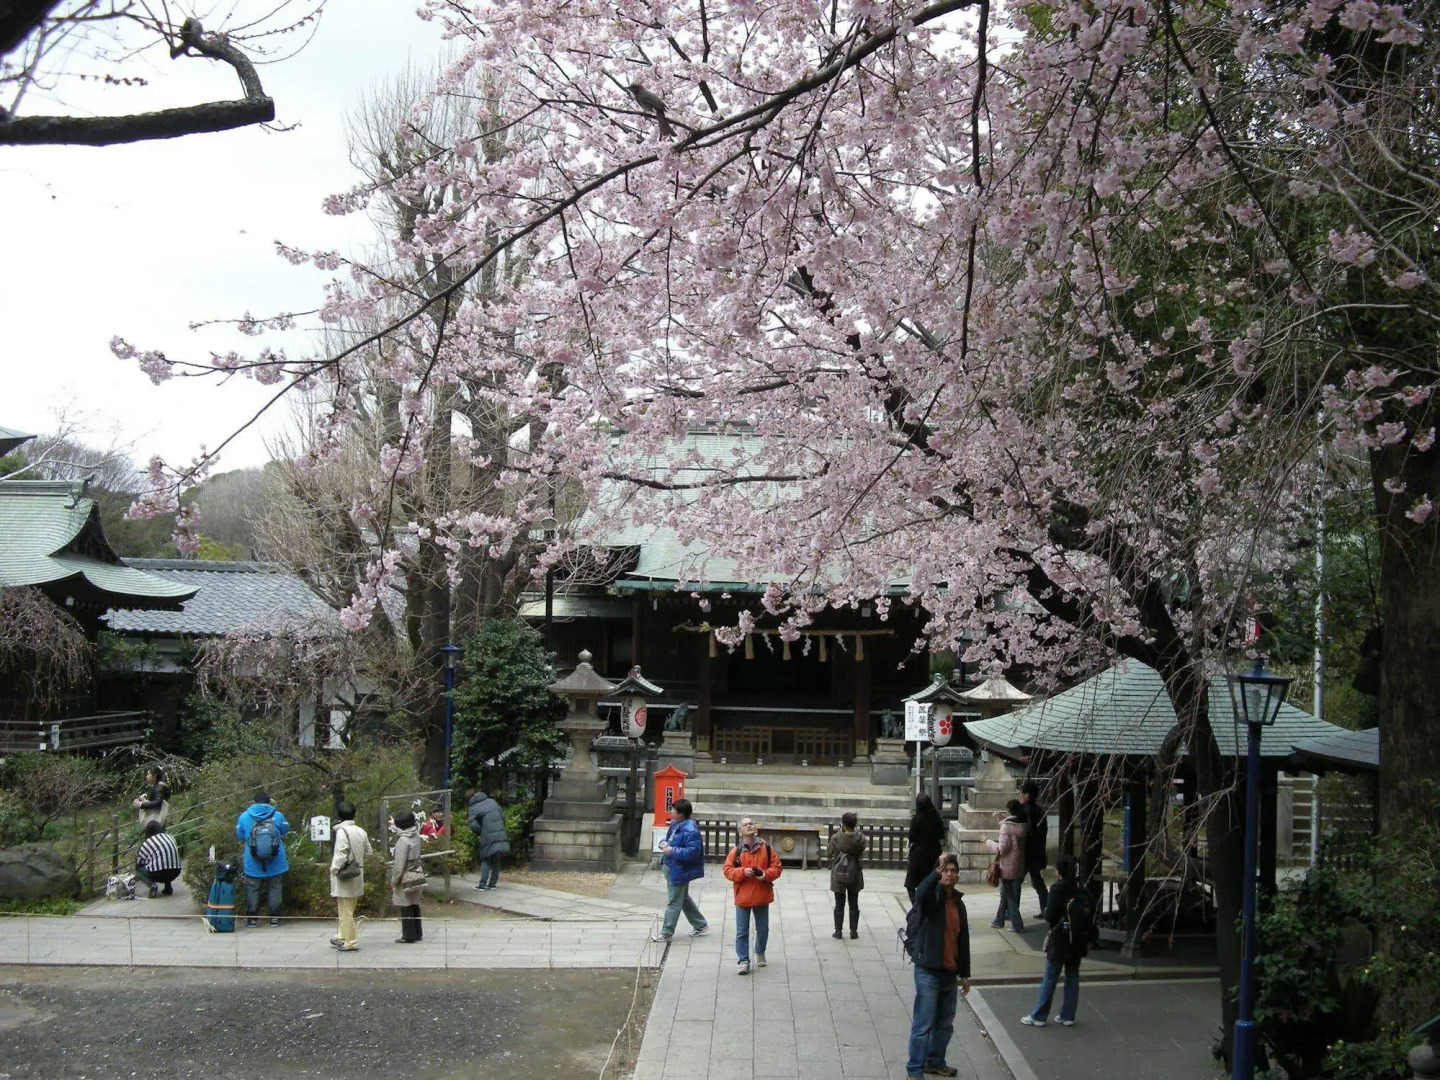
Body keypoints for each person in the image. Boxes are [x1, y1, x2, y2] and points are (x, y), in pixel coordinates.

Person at [906, 852, 972, 1080]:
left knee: (945, 1024)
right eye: (945, 870)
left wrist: (964, 973)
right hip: (928, 970)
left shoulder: (958, 903)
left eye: (953, 870)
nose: (950, 874)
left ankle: (935, 1062)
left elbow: (962, 940)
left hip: (949, 971)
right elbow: (920, 892)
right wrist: (935, 870)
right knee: (923, 1025)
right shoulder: (932, 898)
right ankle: (914, 1070)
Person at [1022, 854, 1088, 1027]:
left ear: (1059, 871)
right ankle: (1067, 1015)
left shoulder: (1057, 889)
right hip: (1077, 937)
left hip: (1060, 938)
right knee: (1072, 976)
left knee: (1051, 977)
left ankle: (1039, 1015)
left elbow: (1050, 916)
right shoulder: (1080, 889)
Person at [722, 816, 781, 975]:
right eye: (745, 824)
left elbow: (777, 868)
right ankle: (743, 960)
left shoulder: (767, 848)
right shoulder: (736, 851)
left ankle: (760, 951)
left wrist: (765, 874)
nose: (749, 826)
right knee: (742, 931)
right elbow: (727, 871)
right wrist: (742, 871)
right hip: (743, 897)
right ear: (740, 830)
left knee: (763, 929)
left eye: (751, 823)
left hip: (761, 895)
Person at [653, 797, 708, 943]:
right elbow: (669, 840)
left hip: (679, 869)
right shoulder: (676, 824)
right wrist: (664, 845)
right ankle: (700, 924)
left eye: (673, 810)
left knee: (674, 902)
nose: (671, 812)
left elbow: (693, 851)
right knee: (682, 898)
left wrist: (672, 851)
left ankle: (666, 932)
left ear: (681, 813)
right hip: (672, 867)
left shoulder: (690, 830)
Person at [235, 789, 290, 928]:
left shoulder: (244, 817)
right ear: (269, 801)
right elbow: (284, 831)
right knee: (275, 888)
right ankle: (275, 919)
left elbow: (240, 835)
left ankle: (252, 919)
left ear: (254, 802)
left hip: (252, 859)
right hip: (276, 859)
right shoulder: (277, 815)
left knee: (253, 888)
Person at [329, 800, 370, 952]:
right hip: (357, 873)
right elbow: (369, 851)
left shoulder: (342, 831)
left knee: (345, 910)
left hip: (344, 875)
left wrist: (334, 869)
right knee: (348, 908)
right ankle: (342, 936)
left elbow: (340, 853)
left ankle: (351, 941)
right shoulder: (361, 831)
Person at [985, 799, 1029, 932]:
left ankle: (1017, 925)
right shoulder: (1023, 825)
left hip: (1007, 866)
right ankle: (998, 920)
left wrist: (987, 841)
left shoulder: (1007, 827)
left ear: (1009, 810)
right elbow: (1011, 830)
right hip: (1018, 864)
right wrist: (1001, 820)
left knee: (1009, 896)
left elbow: (1002, 849)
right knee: (1006, 894)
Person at [828, 811, 865, 940]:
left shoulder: (836, 838)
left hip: (839, 872)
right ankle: (853, 931)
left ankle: (838, 931)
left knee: (839, 903)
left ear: (843, 824)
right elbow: (862, 850)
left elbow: (830, 851)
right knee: (854, 903)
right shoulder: (860, 838)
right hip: (854, 871)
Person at [389, 810, 425, 943]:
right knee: (415, 903)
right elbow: (405, 833)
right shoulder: (415, 834)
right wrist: (395, 825)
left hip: (405, 875)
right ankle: (417, 933)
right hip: (416, 872)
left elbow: (399, 864)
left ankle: (408, 935)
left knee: (406, 905)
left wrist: (394, 880)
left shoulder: (402, 841)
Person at [904, 793, 946, 903]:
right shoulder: (936, 818)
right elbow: (941, 835)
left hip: (919, 854)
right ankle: (930, 904)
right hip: (934, 852)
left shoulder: (917, 819)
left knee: (911, 884)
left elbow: (911, 837)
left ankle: (917, 906)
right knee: (931, 881)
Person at [466, 788, 510, 891]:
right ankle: (492, 884)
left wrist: (481, 831)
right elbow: (503, 817)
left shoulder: (473, 808)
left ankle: (482, 884)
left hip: (488, 836)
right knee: (496, 859)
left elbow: (472, 823)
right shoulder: (492, 801)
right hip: (500, 833)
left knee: (486, 858)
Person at [1018, 779, 1050, 917]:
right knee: (1037, 881)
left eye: (1022, 793)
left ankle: (1011, 911)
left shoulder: (1025, 810)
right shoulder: (1040, 810)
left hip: (1027, 853)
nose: (1020, 795)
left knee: (1016, 882)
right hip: (1037, 851)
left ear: (1027, 795)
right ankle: (1046, 908)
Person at [134, 820, 181, 897]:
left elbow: (139, 863)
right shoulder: (170, 837)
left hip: (158, 874)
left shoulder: (148, 842)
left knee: (139, 870)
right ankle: (168, 887)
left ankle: (152, 886)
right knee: (166, 863)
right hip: (176, 871)